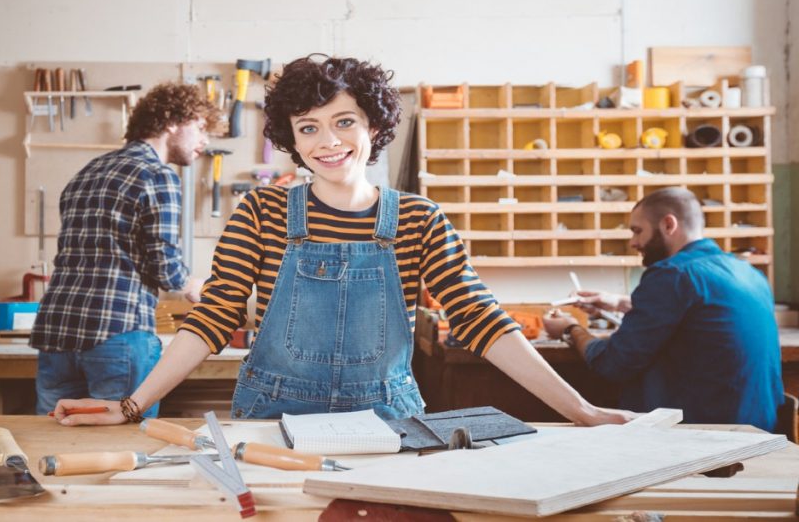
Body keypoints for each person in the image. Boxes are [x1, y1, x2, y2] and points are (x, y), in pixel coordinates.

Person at [50, 55, 633, 426]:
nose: (327, 141)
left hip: (387, 422)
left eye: (344, 121)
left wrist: (581, 411)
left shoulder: (419, 220)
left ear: (374, 126)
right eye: (308, 128)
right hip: (273, 417)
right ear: (293, 141)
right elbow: (211, 318)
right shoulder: (262, 211)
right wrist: (130, 406)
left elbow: (480, 320)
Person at [30, 82, 218, 416]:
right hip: (118, 332)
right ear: (173, 122)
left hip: (56, 333)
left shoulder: (87, 172)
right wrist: (193, 286)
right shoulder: (157, 174)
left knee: (54, 440)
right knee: (126, 446)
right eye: (201, 129)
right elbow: (165, 266)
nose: (206, 141)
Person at [542, 187, 784, 432]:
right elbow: (697, 311)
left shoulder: (671, 274)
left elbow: (613, 363)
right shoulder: (747, 272)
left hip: (703, 434)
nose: (633, 242)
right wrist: (618, 302)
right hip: (759, 427)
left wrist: (570, 329)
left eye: (638, 231)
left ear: (669, 225)